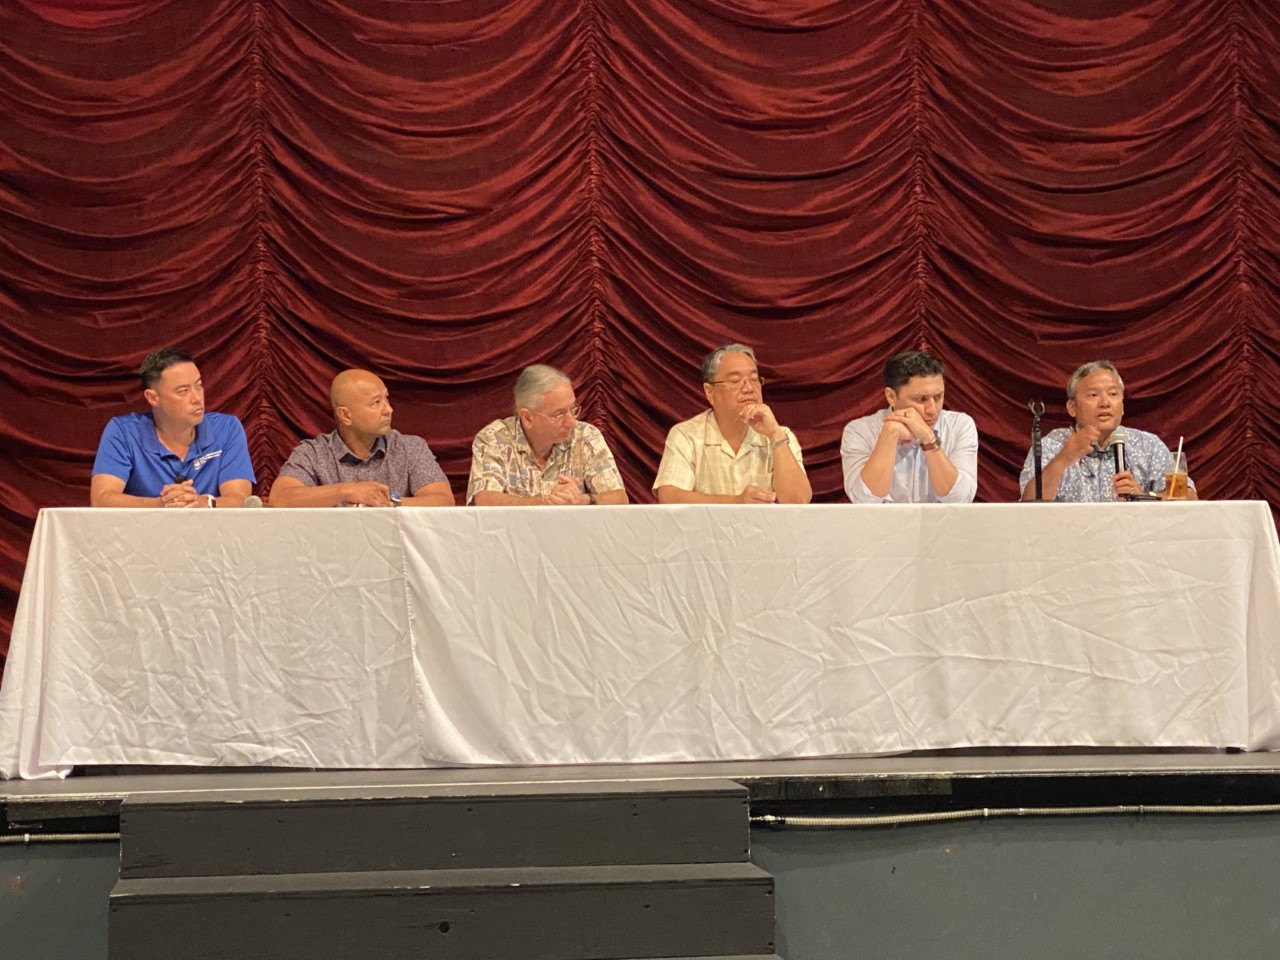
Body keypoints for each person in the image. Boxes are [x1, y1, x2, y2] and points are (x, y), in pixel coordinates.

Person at [90, 347, 254, 508]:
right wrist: (161, 505)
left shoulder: (227, 428)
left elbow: (240, 499)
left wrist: (206, 504)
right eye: (183, 391)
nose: (197, 398)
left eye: (198, 385)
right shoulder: (123, 432)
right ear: (153, 398)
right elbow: (101, 499)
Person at [269, 369, 454, 507]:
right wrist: (348, 491)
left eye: (386, 399)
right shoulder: (313, 452)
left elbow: (443, 500)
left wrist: (385, 502)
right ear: (346, 416)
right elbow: (280, 498)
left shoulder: (411, 447)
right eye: (376, 403)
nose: (388, 410)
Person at [653, 344, 811, 504]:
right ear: (710, 392)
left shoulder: (781, 436)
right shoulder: (687, 435)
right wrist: (735, 502)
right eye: (735, 381)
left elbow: (798, 501)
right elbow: (670, 497)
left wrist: (775, 435)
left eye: (754, 379)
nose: (749, 388)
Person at [1019, 360, 1197, 501]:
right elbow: (1029, 504)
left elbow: (1189, 499)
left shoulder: (1148, 445)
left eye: (1113, 394)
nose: (1105, 403)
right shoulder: (1053, 445)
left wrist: (1143, 496)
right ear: (1072, 407)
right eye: (1093, 395)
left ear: (1122, 406)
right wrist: (1064, 458)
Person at [467, 365, 628, 505]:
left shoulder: (586, 435)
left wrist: (582, 500)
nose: (571, 421)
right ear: (528, 418)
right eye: (559, 414)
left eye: (573, 409)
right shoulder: (495, 438)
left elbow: (619, 498)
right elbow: (485, 499)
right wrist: (545, 502)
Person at [841, 350, 978, 504]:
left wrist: (928, 438)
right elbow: (865, 500)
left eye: (938, 397)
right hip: (882, 527)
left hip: (942, 527)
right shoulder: (859, 431)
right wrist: (890, 433)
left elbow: (959, 499)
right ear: (891, 397)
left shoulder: (960, 426)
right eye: (921, 399)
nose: (932, 410)